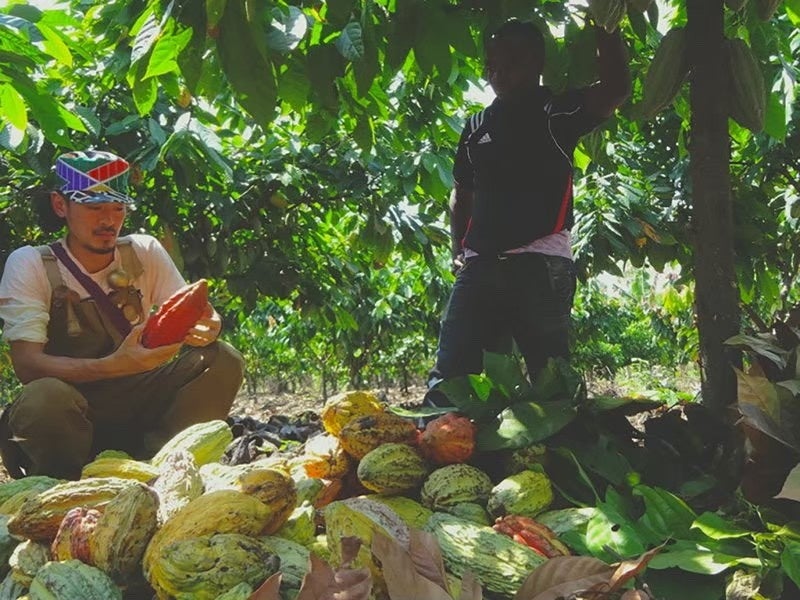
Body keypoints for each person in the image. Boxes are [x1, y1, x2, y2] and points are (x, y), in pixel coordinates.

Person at [0, 150, 244, 479]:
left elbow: (194, 311)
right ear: (60, 205)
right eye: (94, 208)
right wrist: (112, 365)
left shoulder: (144, 252)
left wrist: (209, 325)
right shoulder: (31, 264)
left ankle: (161, 469)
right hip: (71, 408)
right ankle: (62, 484)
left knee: (222, 359)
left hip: (138, 399)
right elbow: (27, 364)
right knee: (42, 398)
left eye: (118, 208)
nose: (108, 220)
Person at [426, 18, 630, 402]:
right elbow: (461, 194)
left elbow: (615, 90)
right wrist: (458, 250)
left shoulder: (556, 112)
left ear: (538, 63)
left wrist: (606, 21)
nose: (498, 73)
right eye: (492, 65)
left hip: (539, 264)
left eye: (512, 62)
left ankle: (569, 439)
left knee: (551, 380)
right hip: (480, 265)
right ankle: (442, 435)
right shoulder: (476, 126)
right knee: (451, 375)